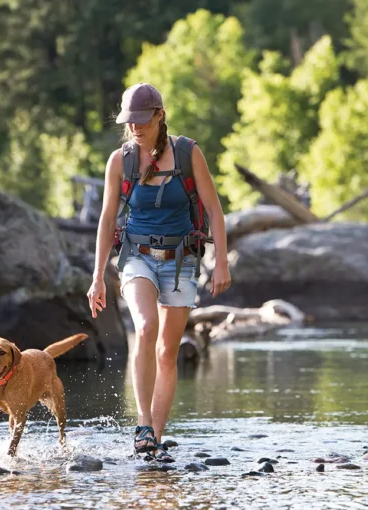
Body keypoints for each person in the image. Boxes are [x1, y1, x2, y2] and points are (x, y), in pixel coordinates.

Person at [87, 83, 231, 463]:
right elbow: (107, 219)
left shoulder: (187, 153)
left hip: (181, 261)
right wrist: (98, 276)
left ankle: (154, 442)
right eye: (129, 121)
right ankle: (143, 425)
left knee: (168, 352)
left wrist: (222, 263)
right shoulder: (119, 161)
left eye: (142, 120)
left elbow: (214, 210)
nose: (134, 127)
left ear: (159, 115)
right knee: (146, 327)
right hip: (137, 256)